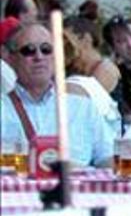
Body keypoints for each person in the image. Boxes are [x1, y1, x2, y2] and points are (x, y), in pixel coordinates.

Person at [1, 22, 115, 167]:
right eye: (29, 50)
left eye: (46, 49)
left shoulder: (84, 108)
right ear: (10, 58)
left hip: (75, 188)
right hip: (16, 188)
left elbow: (108, 157)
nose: (39, 56)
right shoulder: (3, 108)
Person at [61, 17, 122, 138]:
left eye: (66, 40)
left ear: (86, 39)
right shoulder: (74, 71)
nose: (62, 46)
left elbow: (84, 106)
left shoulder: (105, 69)